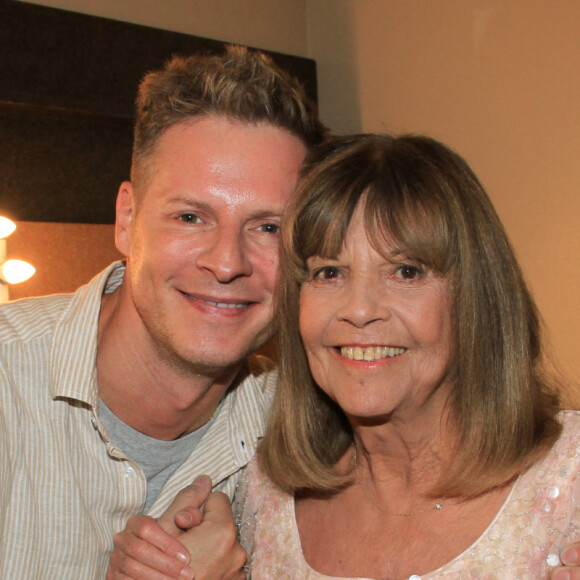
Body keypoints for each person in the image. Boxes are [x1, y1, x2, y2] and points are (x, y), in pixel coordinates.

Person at [112, 133, 580, 579]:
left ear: (475, 297)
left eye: (405, 271)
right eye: (330, 271)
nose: (359, 310)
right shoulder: (260, 502)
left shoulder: (569, 481)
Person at [0, 45, 325, 578]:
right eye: (192, 216)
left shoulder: (309, 433)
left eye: (269, 227)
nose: (226, 263)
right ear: (127, 219)